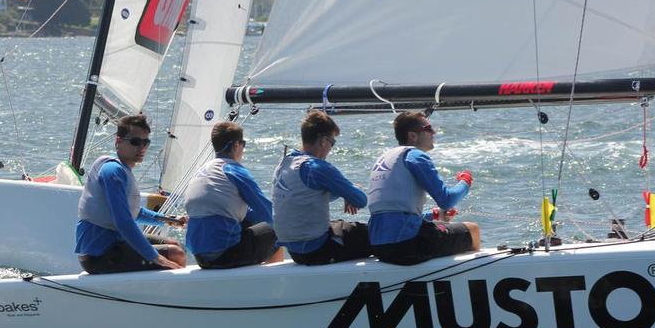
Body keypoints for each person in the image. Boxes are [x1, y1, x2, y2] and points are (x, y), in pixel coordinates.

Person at [76, 114, 187, 274]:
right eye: (135, 142)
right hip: (99, 254)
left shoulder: (123, 170)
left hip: (115, 243)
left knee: (174, 245)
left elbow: (134, 213)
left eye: (146, 142)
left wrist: (169, 220)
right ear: (118, 141)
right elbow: (124, 222)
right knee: (175, 254)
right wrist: (156, 257)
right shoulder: (112, 171)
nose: (142, 147)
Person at [368, 111, 481, 265]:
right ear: (413, 136)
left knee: (440, 226)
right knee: (472, 230)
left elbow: (391, 214)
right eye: (428, 128)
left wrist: (431, 215)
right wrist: (465, 182)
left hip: (378, 246)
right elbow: (446, 200)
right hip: (405, 246)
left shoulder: (384, 159)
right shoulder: (415, 156)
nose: (433, 132)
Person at [271, 110, 372, 265]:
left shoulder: (285, 163)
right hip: (317, 250)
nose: (331, 148)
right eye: (333, 142)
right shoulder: (317, 167)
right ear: (323, 141)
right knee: (375, 233)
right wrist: (350, 191)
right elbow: (361, 200)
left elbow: (308, 196)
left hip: (295, 251)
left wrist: (344, 193)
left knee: (340, 224)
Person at [185, 121, 283, 269]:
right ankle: (278, 285)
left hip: (199, 256)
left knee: (254, 225)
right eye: (243, 144)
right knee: (274, 231)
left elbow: (241, 213)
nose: (243, 148)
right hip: (225, 254)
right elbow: (268, 212)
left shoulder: (203, 170)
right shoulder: (233, 170)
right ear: (236, 145)